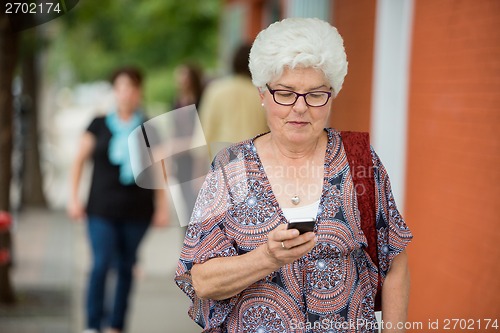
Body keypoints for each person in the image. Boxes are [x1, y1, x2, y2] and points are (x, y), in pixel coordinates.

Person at [175, 18, 413, 332]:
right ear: (262, 93)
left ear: (332, 93)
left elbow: (395, 262)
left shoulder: (360, 161)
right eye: (285, 93)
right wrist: (267, 258)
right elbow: (202, 280)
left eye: (316, 94)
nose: (300, 108)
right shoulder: (230, 166)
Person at [68, 67, 168, 333]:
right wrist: (73, 198)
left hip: (138, 210)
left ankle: (116, 325)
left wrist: (162, 207)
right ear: (115, 91)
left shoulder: (148, 127)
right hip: (100, 208)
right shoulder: (98, 124)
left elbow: (159, 169)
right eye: (121, 87)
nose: (126, 93)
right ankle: (93, 323)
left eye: (132, 87)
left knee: (126, 266)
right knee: (100, 264)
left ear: (139, 92)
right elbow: (78, 161)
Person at [199, 43, 269, 144]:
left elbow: (205, 132)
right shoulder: (263, 94)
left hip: (222, 155)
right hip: (254, 154)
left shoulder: (215, 90)